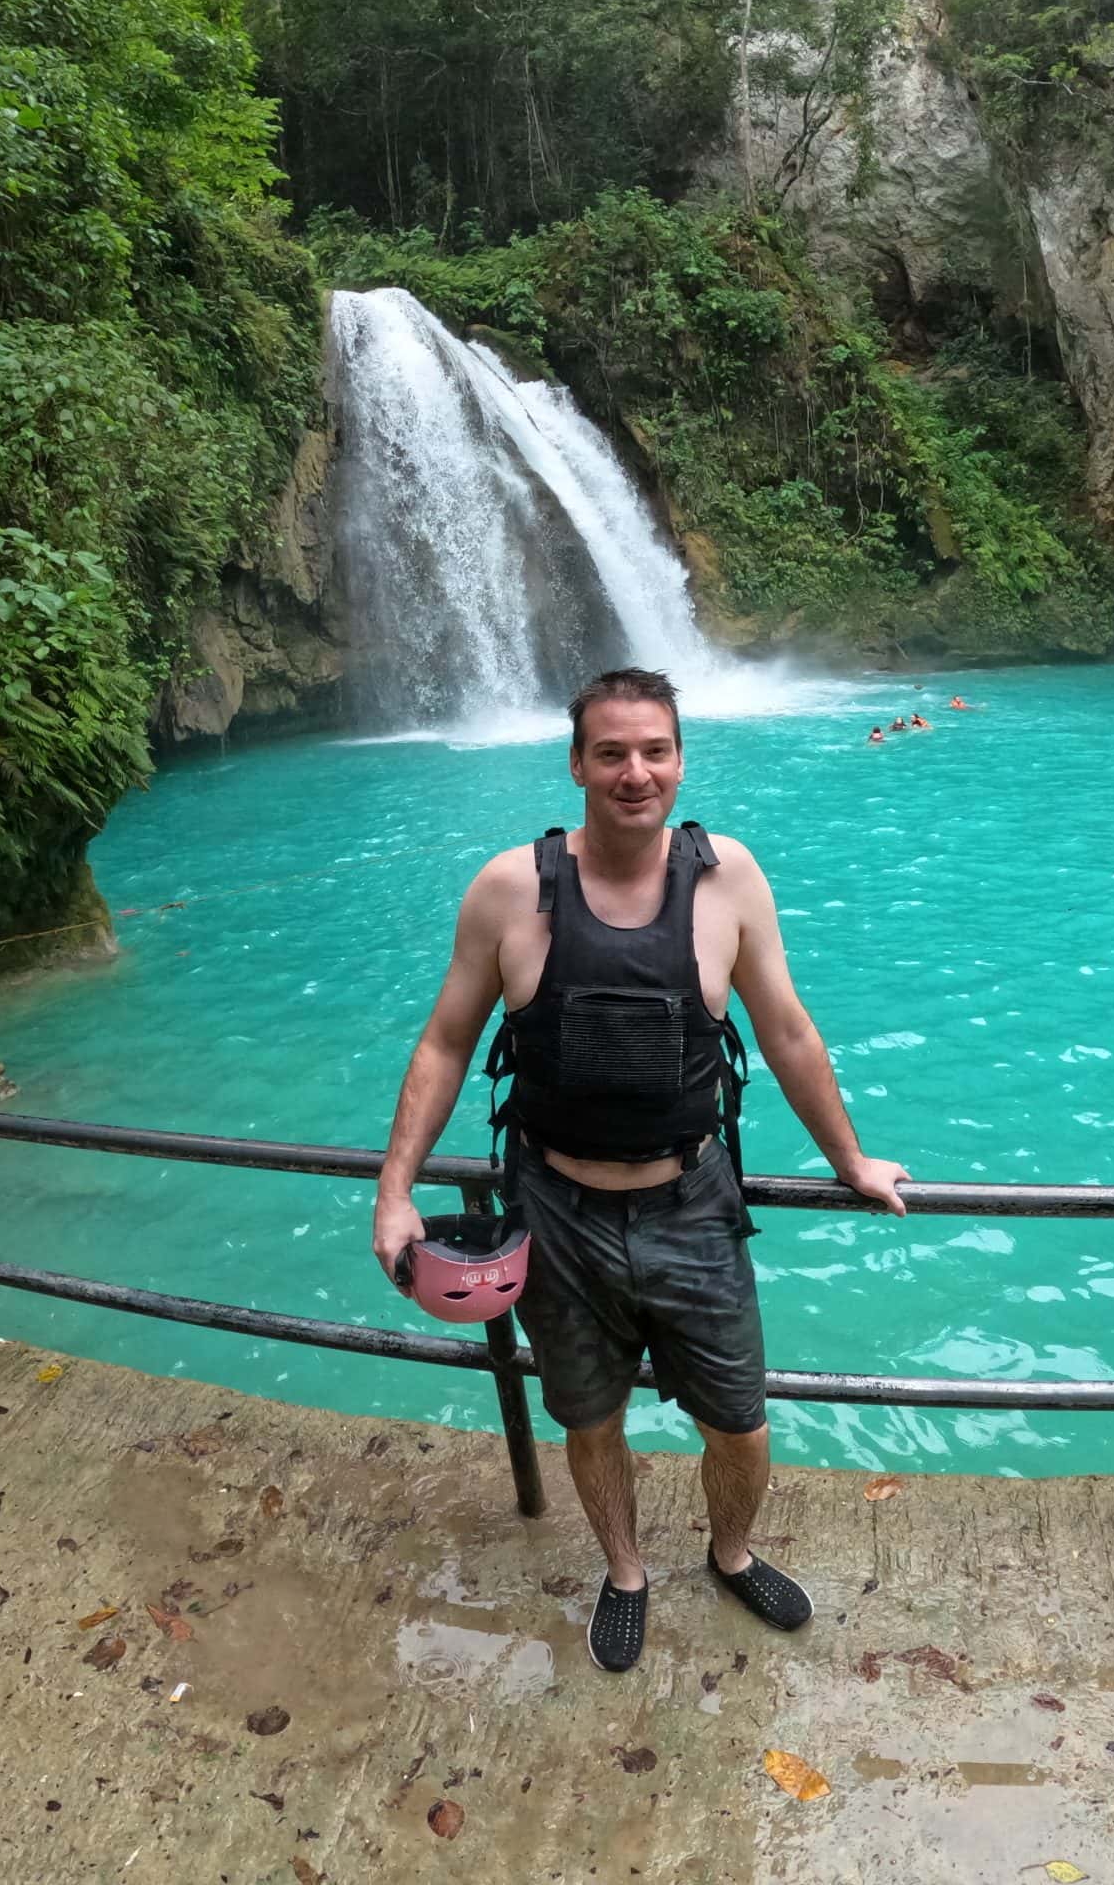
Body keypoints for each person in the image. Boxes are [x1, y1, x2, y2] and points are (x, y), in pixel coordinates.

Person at [371, 668, 907, 1676]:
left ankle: (732, 1551)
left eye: (653, 750)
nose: (634, 772)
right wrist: (395, 1191)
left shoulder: (728, 878)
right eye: (611, 752)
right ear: (575, 764)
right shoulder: (508, 888)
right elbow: (444, 1044)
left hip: (691, 1203)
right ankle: (624, 1572)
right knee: (588, 1415)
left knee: (738, 1421)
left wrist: (849, 1158)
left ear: (679, 761)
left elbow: (785, 1031)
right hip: (556, 1210)